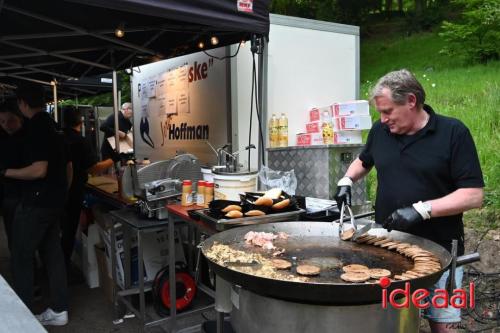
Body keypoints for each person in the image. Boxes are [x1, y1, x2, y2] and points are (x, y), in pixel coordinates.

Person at [334, 69, 484, 333]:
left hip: (440, 253)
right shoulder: (381, 132)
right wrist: (346, 180)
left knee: (443, 325)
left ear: (412, 101)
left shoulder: (453, 133)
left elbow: (473, 195)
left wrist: (423, 210)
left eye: (388, 111)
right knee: (392, 324)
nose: (382, 119)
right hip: (388, 252)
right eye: (380, 112)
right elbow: (364, 160)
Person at [0, 84, 70, 326]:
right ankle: (60, 310)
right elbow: (66, 167)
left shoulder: (37, 127)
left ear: (22, 103)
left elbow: (39, 170)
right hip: (53, 202)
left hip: (37, 203)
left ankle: (22, 321)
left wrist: (5, 172)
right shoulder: (52, 124)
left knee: (20, 257)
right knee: (52, 254)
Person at [61, 106, 115, 270]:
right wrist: (114, 159)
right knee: (69, 231)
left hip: (57, 192)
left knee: (63, 230)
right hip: (74, 190)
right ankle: (63, 268)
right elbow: (93, 168)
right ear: (81, 121)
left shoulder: (59, 137)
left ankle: (58, 265)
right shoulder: (80, 141)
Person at [0, 102, 27, 251]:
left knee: (21, 240)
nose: (6, 125)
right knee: (15, 239)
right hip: (10, 195)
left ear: (20, 118)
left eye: (11, 120)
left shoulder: (29, 138)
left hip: (24, 197)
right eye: (2, 121)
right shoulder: (4, 139)